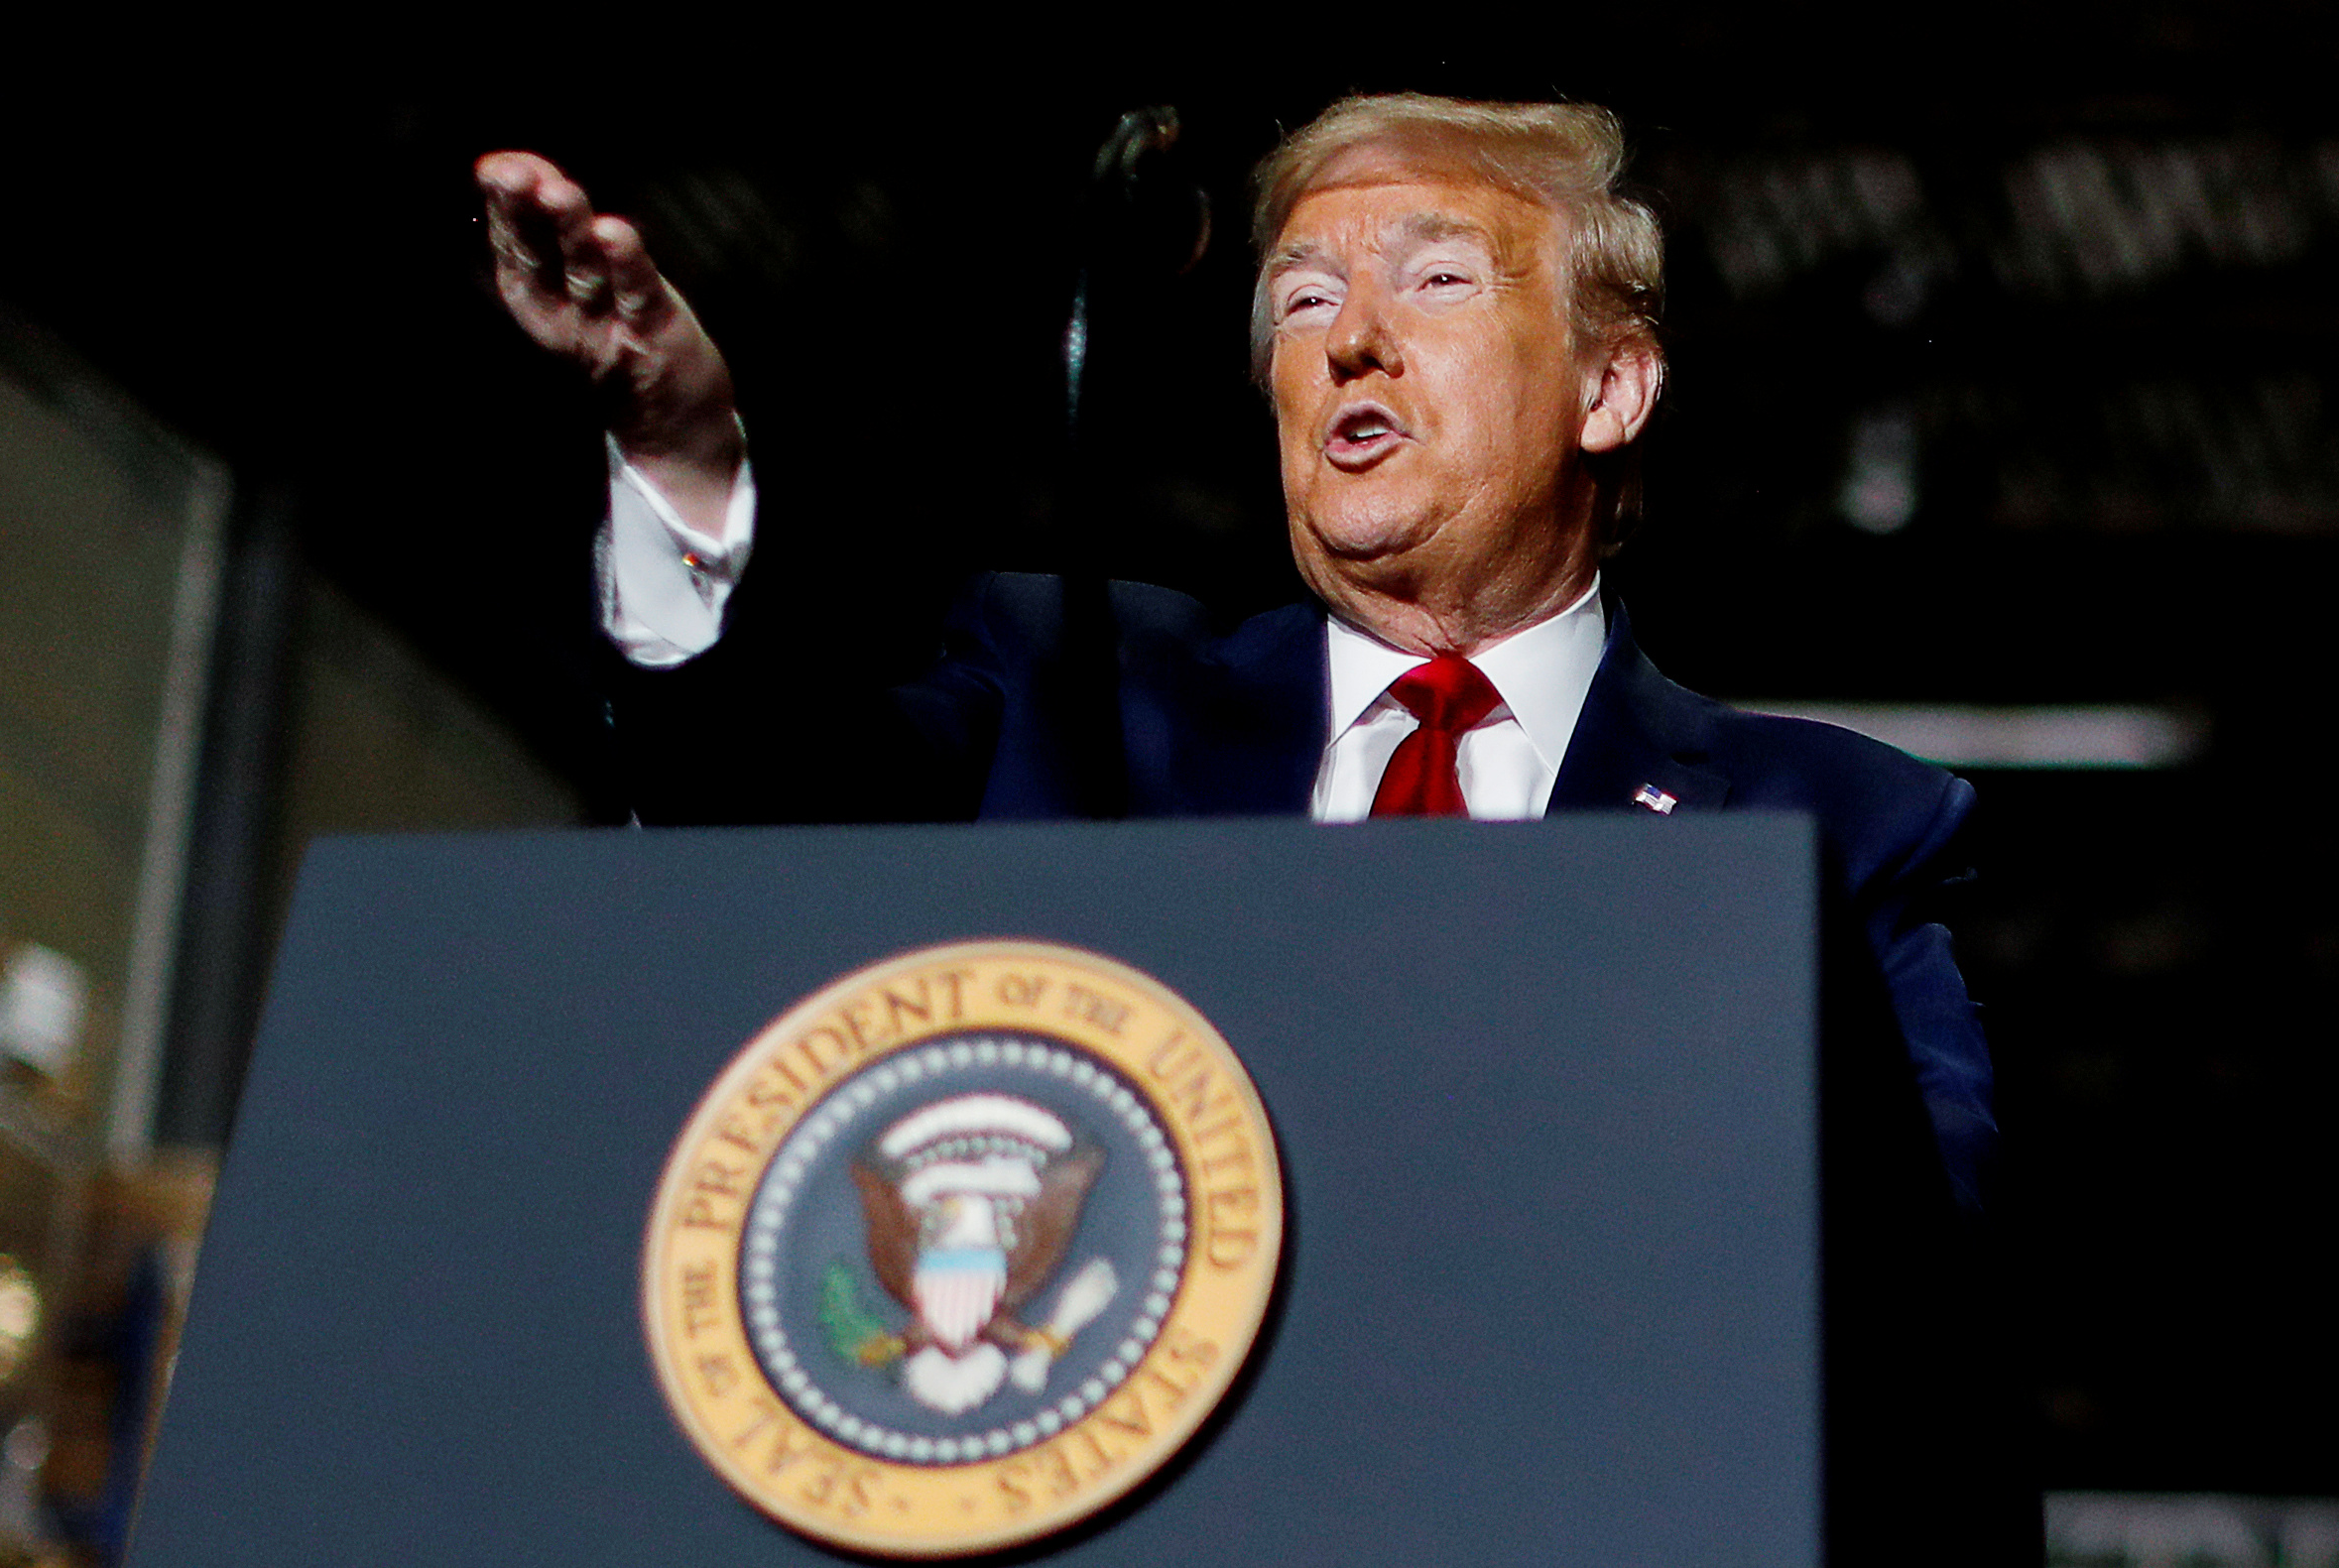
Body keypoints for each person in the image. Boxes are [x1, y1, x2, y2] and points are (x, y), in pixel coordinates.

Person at [477, 93, 2028, 1558]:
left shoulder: (1830, 824)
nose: (1351, 337)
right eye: (1297, 302)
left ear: (1608, 387)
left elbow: (1919, 1280)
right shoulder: (1066, 689)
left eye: (1433, 279)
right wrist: (679, 457)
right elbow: (747, 824)